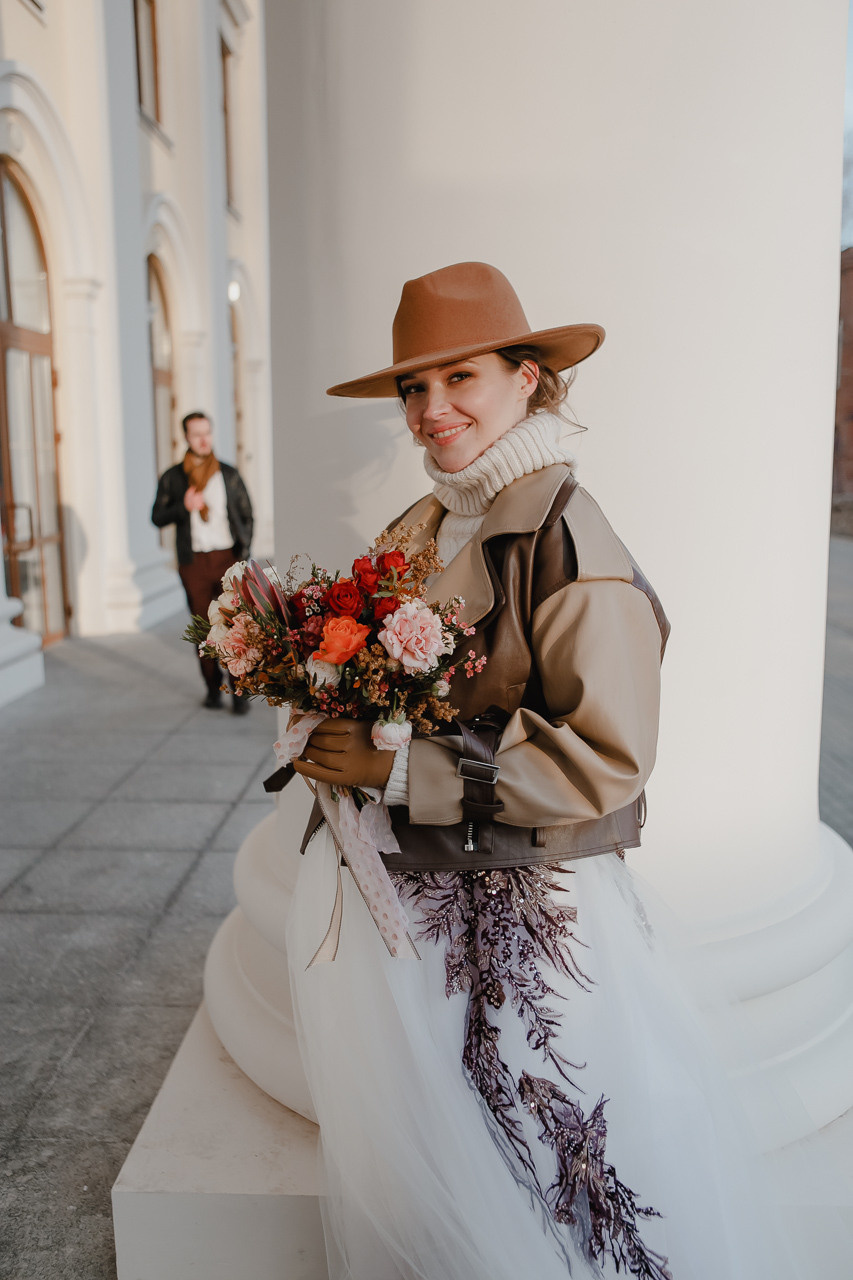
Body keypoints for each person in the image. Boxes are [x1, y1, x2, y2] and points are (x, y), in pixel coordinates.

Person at [285, 263, 795, 1280]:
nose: (431, 411)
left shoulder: (568, 535)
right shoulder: (424, 524)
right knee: (459, 1187)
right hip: (429, 916)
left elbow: (607, 756)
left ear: (527, 378)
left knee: (551, 1185)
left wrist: (395, 772)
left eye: (458, 377)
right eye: (412, 389)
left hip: (525, 923)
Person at [151, 411, 253, 712]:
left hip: (226, 559)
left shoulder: (228, 474)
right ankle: (212, 687)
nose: (204, 439)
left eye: (207, 432)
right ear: (186, 437)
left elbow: (247, 515)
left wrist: (243, 554)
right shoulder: (173, 477)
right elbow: (157, 517)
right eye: (197, 434)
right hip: (193, 562)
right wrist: (183, 507)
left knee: (235, 626)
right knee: (203, 629)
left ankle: (240, 690)